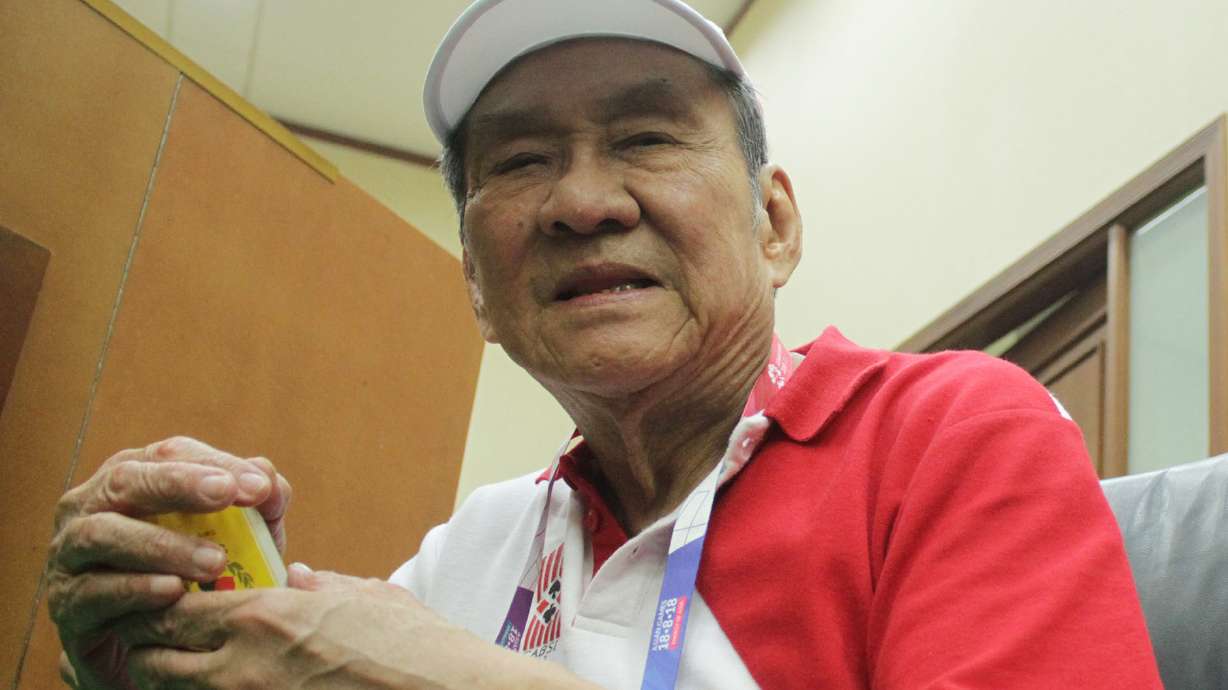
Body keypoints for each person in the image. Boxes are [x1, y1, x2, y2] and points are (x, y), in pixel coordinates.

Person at [46, 1, 1163, 688]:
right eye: (521, 161)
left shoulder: (952, 430)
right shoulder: (467, 555)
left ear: (773, 224)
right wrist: (152, 664)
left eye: (642, 137)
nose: (581, 201)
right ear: (478, 287)